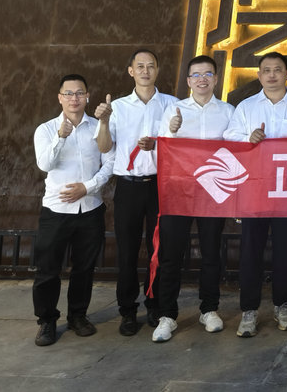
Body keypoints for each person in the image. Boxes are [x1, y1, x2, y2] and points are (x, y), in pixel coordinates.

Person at [225, 52, 287, 338]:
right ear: (259, 75)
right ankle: (249, 310)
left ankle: (282, 305)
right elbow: (229, 137)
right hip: (255, 189)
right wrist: (248, 138)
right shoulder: (246, 107)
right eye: (266, 70)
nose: (272, 75)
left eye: (277, 69)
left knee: (286, 249)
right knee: (251, 250)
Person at [94, 49, 178, 336]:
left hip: (160, 186)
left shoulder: (172, 105)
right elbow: (104, 147)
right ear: (131, 71)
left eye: (150, 66)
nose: (145, 71)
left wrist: (159, 145)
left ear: (158, 70)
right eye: (139, 66)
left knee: (159, 250)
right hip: (128, 187)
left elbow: (181, 146)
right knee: (127, 251)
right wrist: (103, 122)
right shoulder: (117, 107)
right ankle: (128, 310)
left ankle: (155, 305)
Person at [151, 55, 234, 342]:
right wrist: (171, 130)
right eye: (196, 74)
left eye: (207, 74)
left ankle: (209, 309)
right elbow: (160, 149)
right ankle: (167, 315)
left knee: (211, 252)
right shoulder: (173, 110)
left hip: (212, 191)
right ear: (188, 81)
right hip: (178, 191)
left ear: (216, 79)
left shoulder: (228, 111)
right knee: (171, 254)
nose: (202, 79)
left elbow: (236, 149)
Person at [32, 74, 113, 346]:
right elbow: (44, 165)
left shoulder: (99, 127)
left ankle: (78, 316)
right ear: (60, 98)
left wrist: (87, 188)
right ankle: (46, 321)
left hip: (90, 208)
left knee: (84, 268)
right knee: (48, 269)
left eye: (79, 93)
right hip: (56, 210)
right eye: (68, 93)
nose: (74, 98)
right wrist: (60, 138)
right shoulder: (46, 129)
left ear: (87, 96)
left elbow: (110, 162)